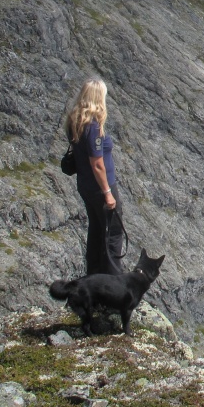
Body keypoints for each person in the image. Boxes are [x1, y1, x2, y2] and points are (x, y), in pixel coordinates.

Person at [64, 77, 126, 275]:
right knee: (114, 232)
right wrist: (108, 193)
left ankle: (93, 276)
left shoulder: (75, 120)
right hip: (101, 187)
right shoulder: (92, 127)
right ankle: (113, 282)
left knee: (97, 230)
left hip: (85, 185)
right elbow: (97, 163)